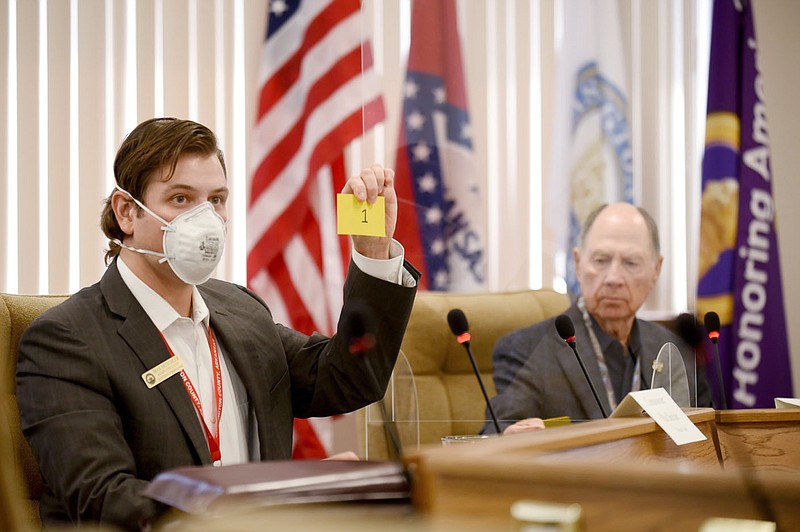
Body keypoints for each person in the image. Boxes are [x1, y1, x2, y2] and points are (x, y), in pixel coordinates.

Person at [16, 117, 419, 530]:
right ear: (126, 213)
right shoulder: (66, 339)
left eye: (217, 200)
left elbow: (348, 380)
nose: (206, 219)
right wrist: (282, 496)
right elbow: (104, 499)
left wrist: (373, 254)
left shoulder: (239, 309)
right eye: (180, 199)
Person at [483, 203, 711, 435]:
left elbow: (709, 439)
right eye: (601, 260)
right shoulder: (527, 349)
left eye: (631, 263)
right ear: (578, 263)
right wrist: (510, 437)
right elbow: (492, 437)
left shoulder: (676, 350)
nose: (613, 278)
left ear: (656, 270)